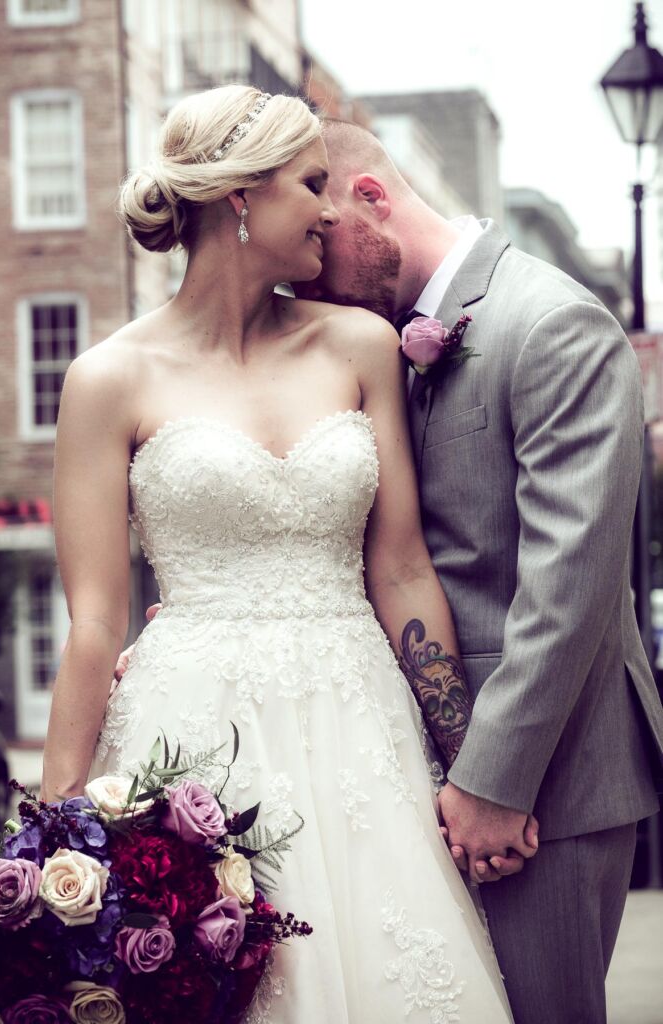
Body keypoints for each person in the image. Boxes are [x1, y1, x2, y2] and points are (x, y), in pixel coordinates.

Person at [41, 86, 517, 1023]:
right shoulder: (107, 379)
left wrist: (468, 771)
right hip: (189, 736)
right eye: (310, 185)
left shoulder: (361, 345)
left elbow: (402, 570)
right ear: (240, 198)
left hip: (360, 725)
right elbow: (94, 620)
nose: (332, 209)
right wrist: (56, 830)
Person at [293, 118, 663, 1024]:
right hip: (412, 766)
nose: (306, 273)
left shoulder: (551, 323)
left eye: (320, 239)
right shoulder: (375, 341)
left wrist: (494, 782)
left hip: (547, 777)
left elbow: (567, 588)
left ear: (370, 199)